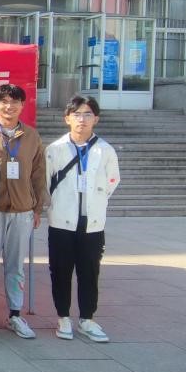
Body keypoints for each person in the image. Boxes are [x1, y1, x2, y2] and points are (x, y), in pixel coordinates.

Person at [46, 95, 120, 343]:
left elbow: (112, 181)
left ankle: (87, 318)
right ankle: (63, 317)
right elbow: (46, 183)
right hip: (61, 221)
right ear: (67, 118)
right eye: (76, 114)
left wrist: (95, 200)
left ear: (96, 119)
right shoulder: (55, 149)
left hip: (92, 223)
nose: (82, 119)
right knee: (60, 270)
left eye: (87, 114)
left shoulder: (105, 150)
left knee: (89, 271)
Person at [0, 84, 47, 340]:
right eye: (4, 101)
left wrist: (37, 208)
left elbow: (38, 174)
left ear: (22, 105)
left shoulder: (31, 136)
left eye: (15, 101)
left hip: (22, 211)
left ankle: (15, 315)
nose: (9, 106)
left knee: (15, 266)